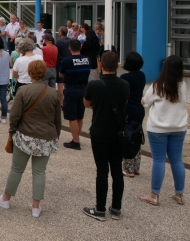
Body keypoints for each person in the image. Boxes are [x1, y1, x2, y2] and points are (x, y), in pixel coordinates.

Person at [0, 60, 61, 218]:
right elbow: (57, 119)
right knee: (39, 172)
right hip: (46, 136)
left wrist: (12, 131)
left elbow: (15, 115)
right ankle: (35, 206)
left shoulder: (23, 91)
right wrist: (56, 135)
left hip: (25, 135)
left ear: (30, 73)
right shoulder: (53, 93)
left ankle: (6, 198)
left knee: (17, 169)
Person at [82, 51, 130, 221]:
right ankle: (116, 208)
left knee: (102, 169)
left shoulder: (94, 85)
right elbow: (124, 103)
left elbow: (87, 103)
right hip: (117, 131)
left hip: (99, 130)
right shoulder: (125, 84)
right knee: (117, 170)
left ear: (100, 65)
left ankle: (100, 209)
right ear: (117, 66)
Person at [138, 55, 188, 207]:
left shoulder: (157, 86)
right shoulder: (183, 85)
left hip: (158, 128)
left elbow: (145, 103)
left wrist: (143, 100)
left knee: (159, 160)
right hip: (179, 127)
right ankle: (179, 194)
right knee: (177, 160)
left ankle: (154, 195)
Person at [58, 39, 90, 150]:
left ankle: (76, 141)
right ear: (80, 47)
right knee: (80, 116)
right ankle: (77, 137)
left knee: (72, 117)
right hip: (84, 89)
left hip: (71, 90)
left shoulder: (67, 61)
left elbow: (61, 74)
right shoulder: (87, 59)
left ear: (70, 48)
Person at [118, 52, 146, 178]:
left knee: (128, 137)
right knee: (136, 137)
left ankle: (128, 168)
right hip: (139, 109)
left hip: (128, 109)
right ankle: (135, 166)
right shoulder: (142, 75)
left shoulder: (125, 77)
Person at [55, 27, 71, 98]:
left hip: (60, 64)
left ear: (60, 33)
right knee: (68, 83)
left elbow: (55, 52)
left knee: (60, 84)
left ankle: (61, 102)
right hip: (70, 63)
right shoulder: (71, 41)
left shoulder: (58, 42)